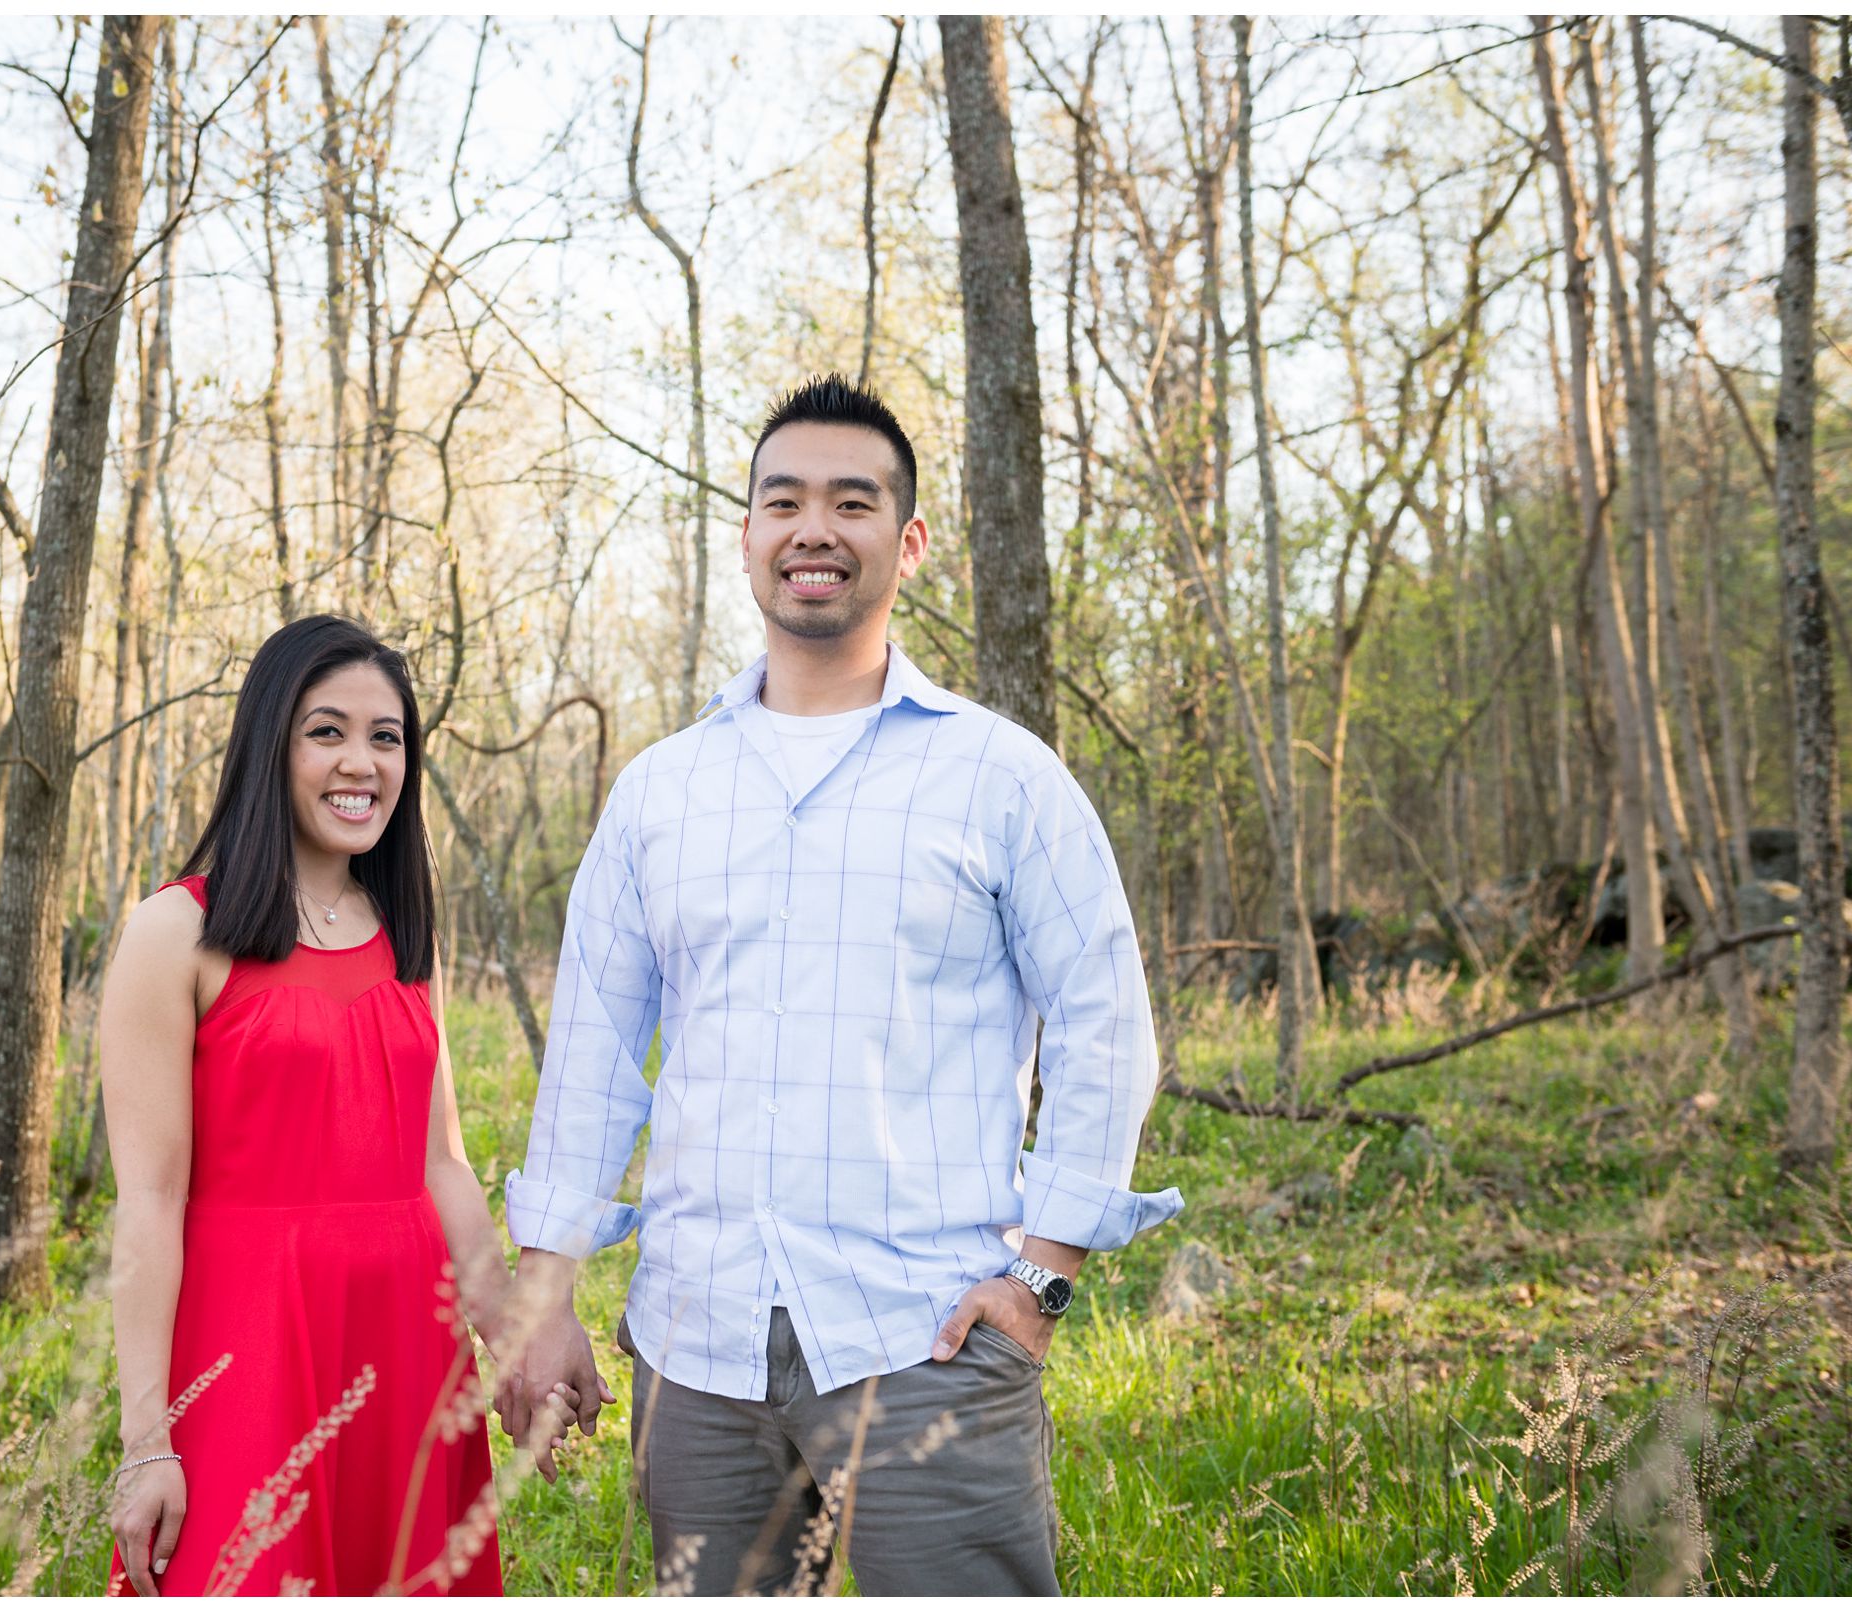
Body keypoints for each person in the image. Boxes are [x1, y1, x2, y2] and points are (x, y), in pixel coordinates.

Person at [496, 375, 1183, 1595]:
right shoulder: (662, 792)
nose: (814, 527)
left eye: (852, 502)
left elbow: (1106, 1021)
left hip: (924, 1343)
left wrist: (1044, 1274)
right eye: (784, 500)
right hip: (694, 1353)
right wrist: (545, 1292)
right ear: (749, 534)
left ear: (906, 542)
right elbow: (594, 1052)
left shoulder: (998, 776)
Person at [102, 616, 563, 1596]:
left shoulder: (406, 931)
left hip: (408, 1349)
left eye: (386, 737)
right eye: (327, 731)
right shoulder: (176, 929)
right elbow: (147, 1201)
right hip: (252, 1351)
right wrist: (148, 1439)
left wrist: (512, 1349)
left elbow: (441, 1164)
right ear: (271, 743)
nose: (362, 762)